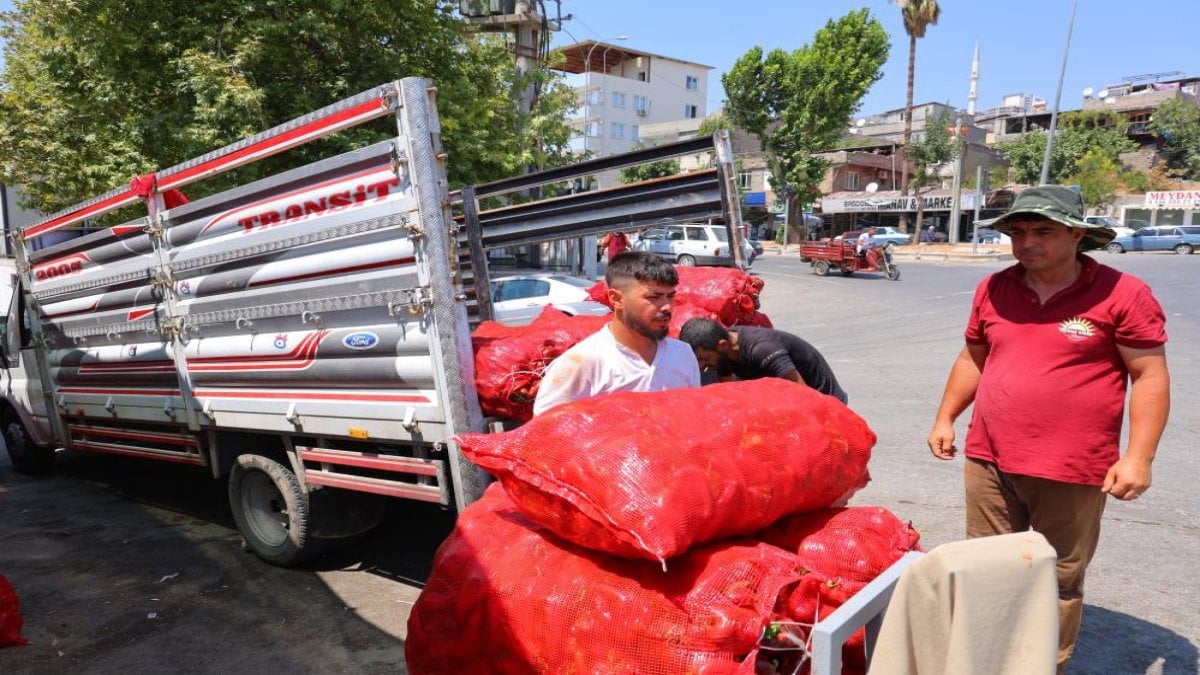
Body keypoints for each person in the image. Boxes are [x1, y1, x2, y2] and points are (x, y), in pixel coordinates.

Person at [926, 185, 1170, 673]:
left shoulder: (1122, 293)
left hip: (1072, 466)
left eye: (1042, 231)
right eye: (1018, 232)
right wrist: (945, 417)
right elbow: (974, 357)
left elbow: (1149, 375)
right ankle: (989, 659)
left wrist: (1139, 457)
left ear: (1077, 235)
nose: (1026, 242)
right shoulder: (994, 288)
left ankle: (1044, 664)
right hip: (989, 459)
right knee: (990, 569)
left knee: (1057, 576)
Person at [533, 252, 700, 415]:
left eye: (670, 297)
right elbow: (546, 434)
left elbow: (692, 420)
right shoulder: (581, 363)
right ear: (616, 299)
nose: (666, 307)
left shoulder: (683, 354)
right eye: (653, 297)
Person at [678, 318, 847, 404]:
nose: (700, 366)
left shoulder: (762, 349)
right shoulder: (722, 353)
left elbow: (802, 396)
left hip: (825, 401)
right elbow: (728, 393)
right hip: (788, 397)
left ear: (722, 345)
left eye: (703, 359)